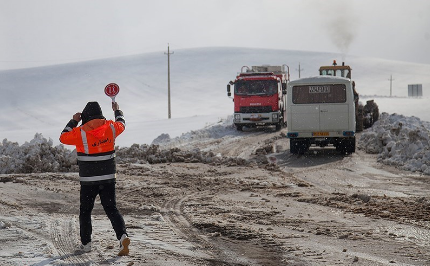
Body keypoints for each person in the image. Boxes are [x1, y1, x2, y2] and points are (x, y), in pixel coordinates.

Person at [59, 101, 130, 256]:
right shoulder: (111, 128)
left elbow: (63, 138)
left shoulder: (80, 132)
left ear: (85, 115)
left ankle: (86, 244)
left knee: (85, 211)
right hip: (109, 178)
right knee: (111, 209)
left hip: (88, 181)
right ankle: (122, 236)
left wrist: (73, 121)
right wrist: (117, 110)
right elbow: (122, 124)